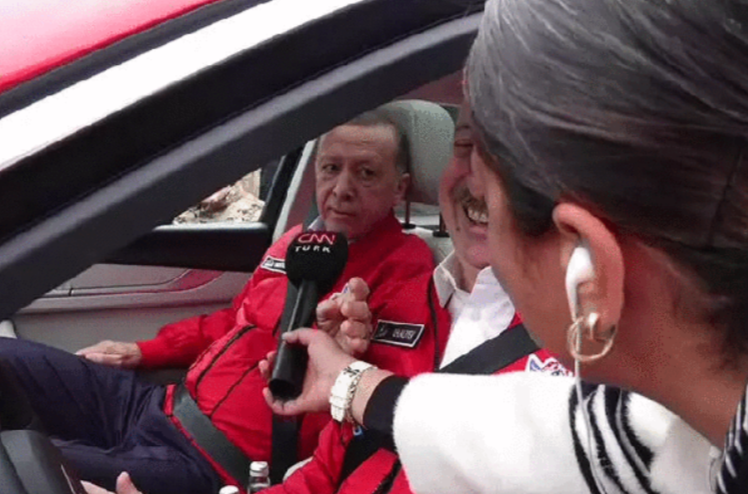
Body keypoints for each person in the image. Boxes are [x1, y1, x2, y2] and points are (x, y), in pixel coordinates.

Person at [258, 0, 748, 492]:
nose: (474, 195)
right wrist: (347, 380)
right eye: (462, 148)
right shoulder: (676, 434)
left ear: (590, 276)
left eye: (490, 185)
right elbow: (538, 437)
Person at [80, 99, 572, 494]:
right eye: (465, 147)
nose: (482, 180)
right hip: (167, 406)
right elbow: (325, 471)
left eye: (511, 155)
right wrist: (146, 350)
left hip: (207, 454)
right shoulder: (400, 304)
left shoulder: (580, 354)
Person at [0, 105, 445, 494]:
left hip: (208, 462)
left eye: (366, 173)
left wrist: (351, 356)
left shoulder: (408, 271)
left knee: (15, 463)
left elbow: (386, 410)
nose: (342, 187)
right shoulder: (297, 243)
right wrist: (143, 351)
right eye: (331, 168)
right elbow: (233, 320)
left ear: (400, 188)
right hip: (156, 404)